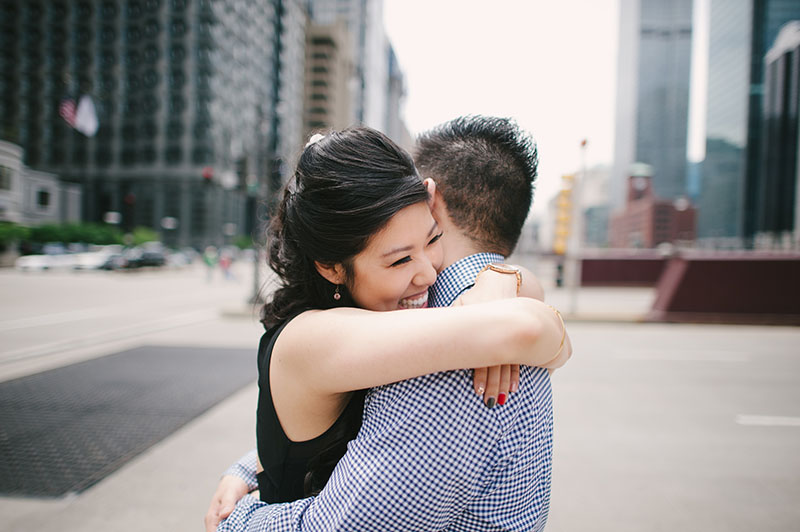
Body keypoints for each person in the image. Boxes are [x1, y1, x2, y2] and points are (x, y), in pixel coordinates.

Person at [206, 118, 569, 531]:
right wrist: (235, 519)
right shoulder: (323, 333)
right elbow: (525, 331)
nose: (428, 275)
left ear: (431, 201)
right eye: (398, 259)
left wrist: (248, 472)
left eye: (432, 240)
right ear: (330, 267)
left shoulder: (406, 322)